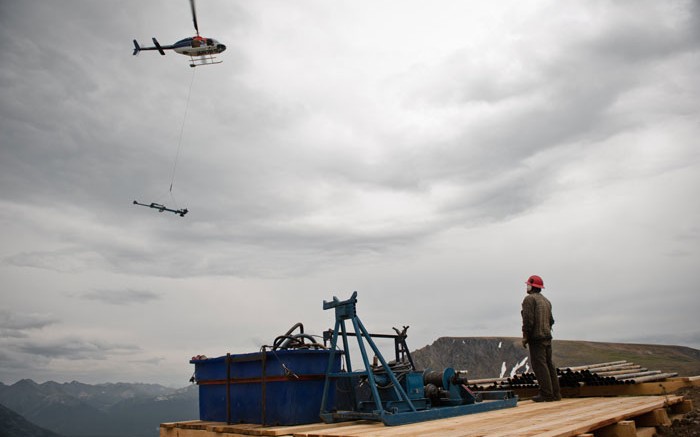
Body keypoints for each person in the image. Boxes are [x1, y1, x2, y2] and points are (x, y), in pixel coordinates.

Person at [521, 274, 561, 402]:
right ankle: (556, 394)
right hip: (547, 337)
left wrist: (525, 337)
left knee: (540, 365)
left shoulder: (529, 300)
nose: (526, 286)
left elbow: (528, 321)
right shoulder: (546, 301)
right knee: (549, 364)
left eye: (528, 284)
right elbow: (551, 320)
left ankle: (546, 394)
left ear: (532, 286)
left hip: (536, 338)